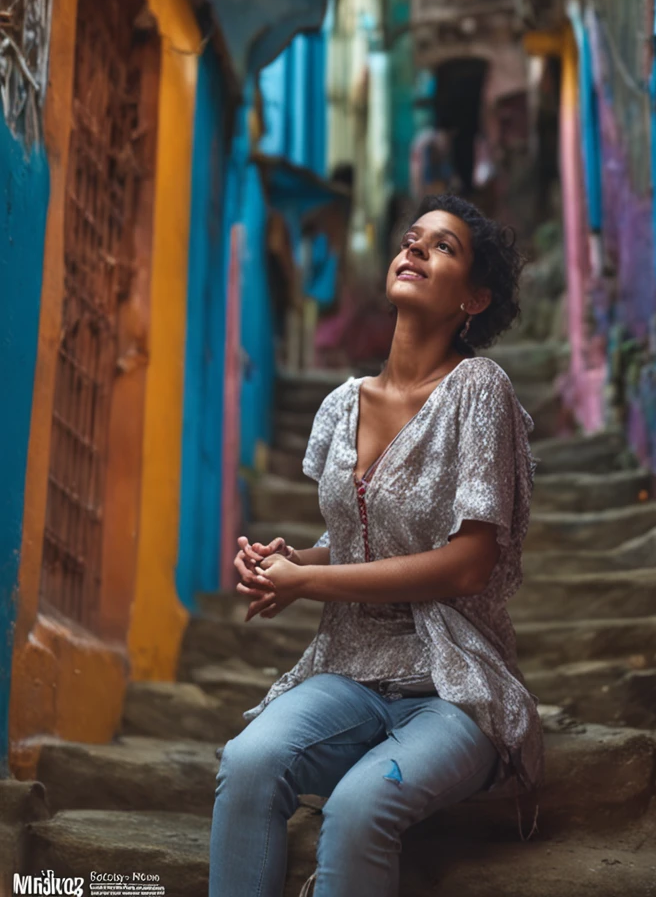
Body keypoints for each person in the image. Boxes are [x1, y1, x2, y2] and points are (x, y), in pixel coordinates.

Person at [209, 194, 545, 897]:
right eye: (411, 239)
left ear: (475, 299)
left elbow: (467, 563)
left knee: (360, 806)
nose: (414, 249)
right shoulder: (342, 405)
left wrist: (310, 586)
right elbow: (365, 538)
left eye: (443, 247)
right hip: (349, 673)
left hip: (453, 688)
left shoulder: (478, 391)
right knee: (248, 762)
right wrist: (292, 563)